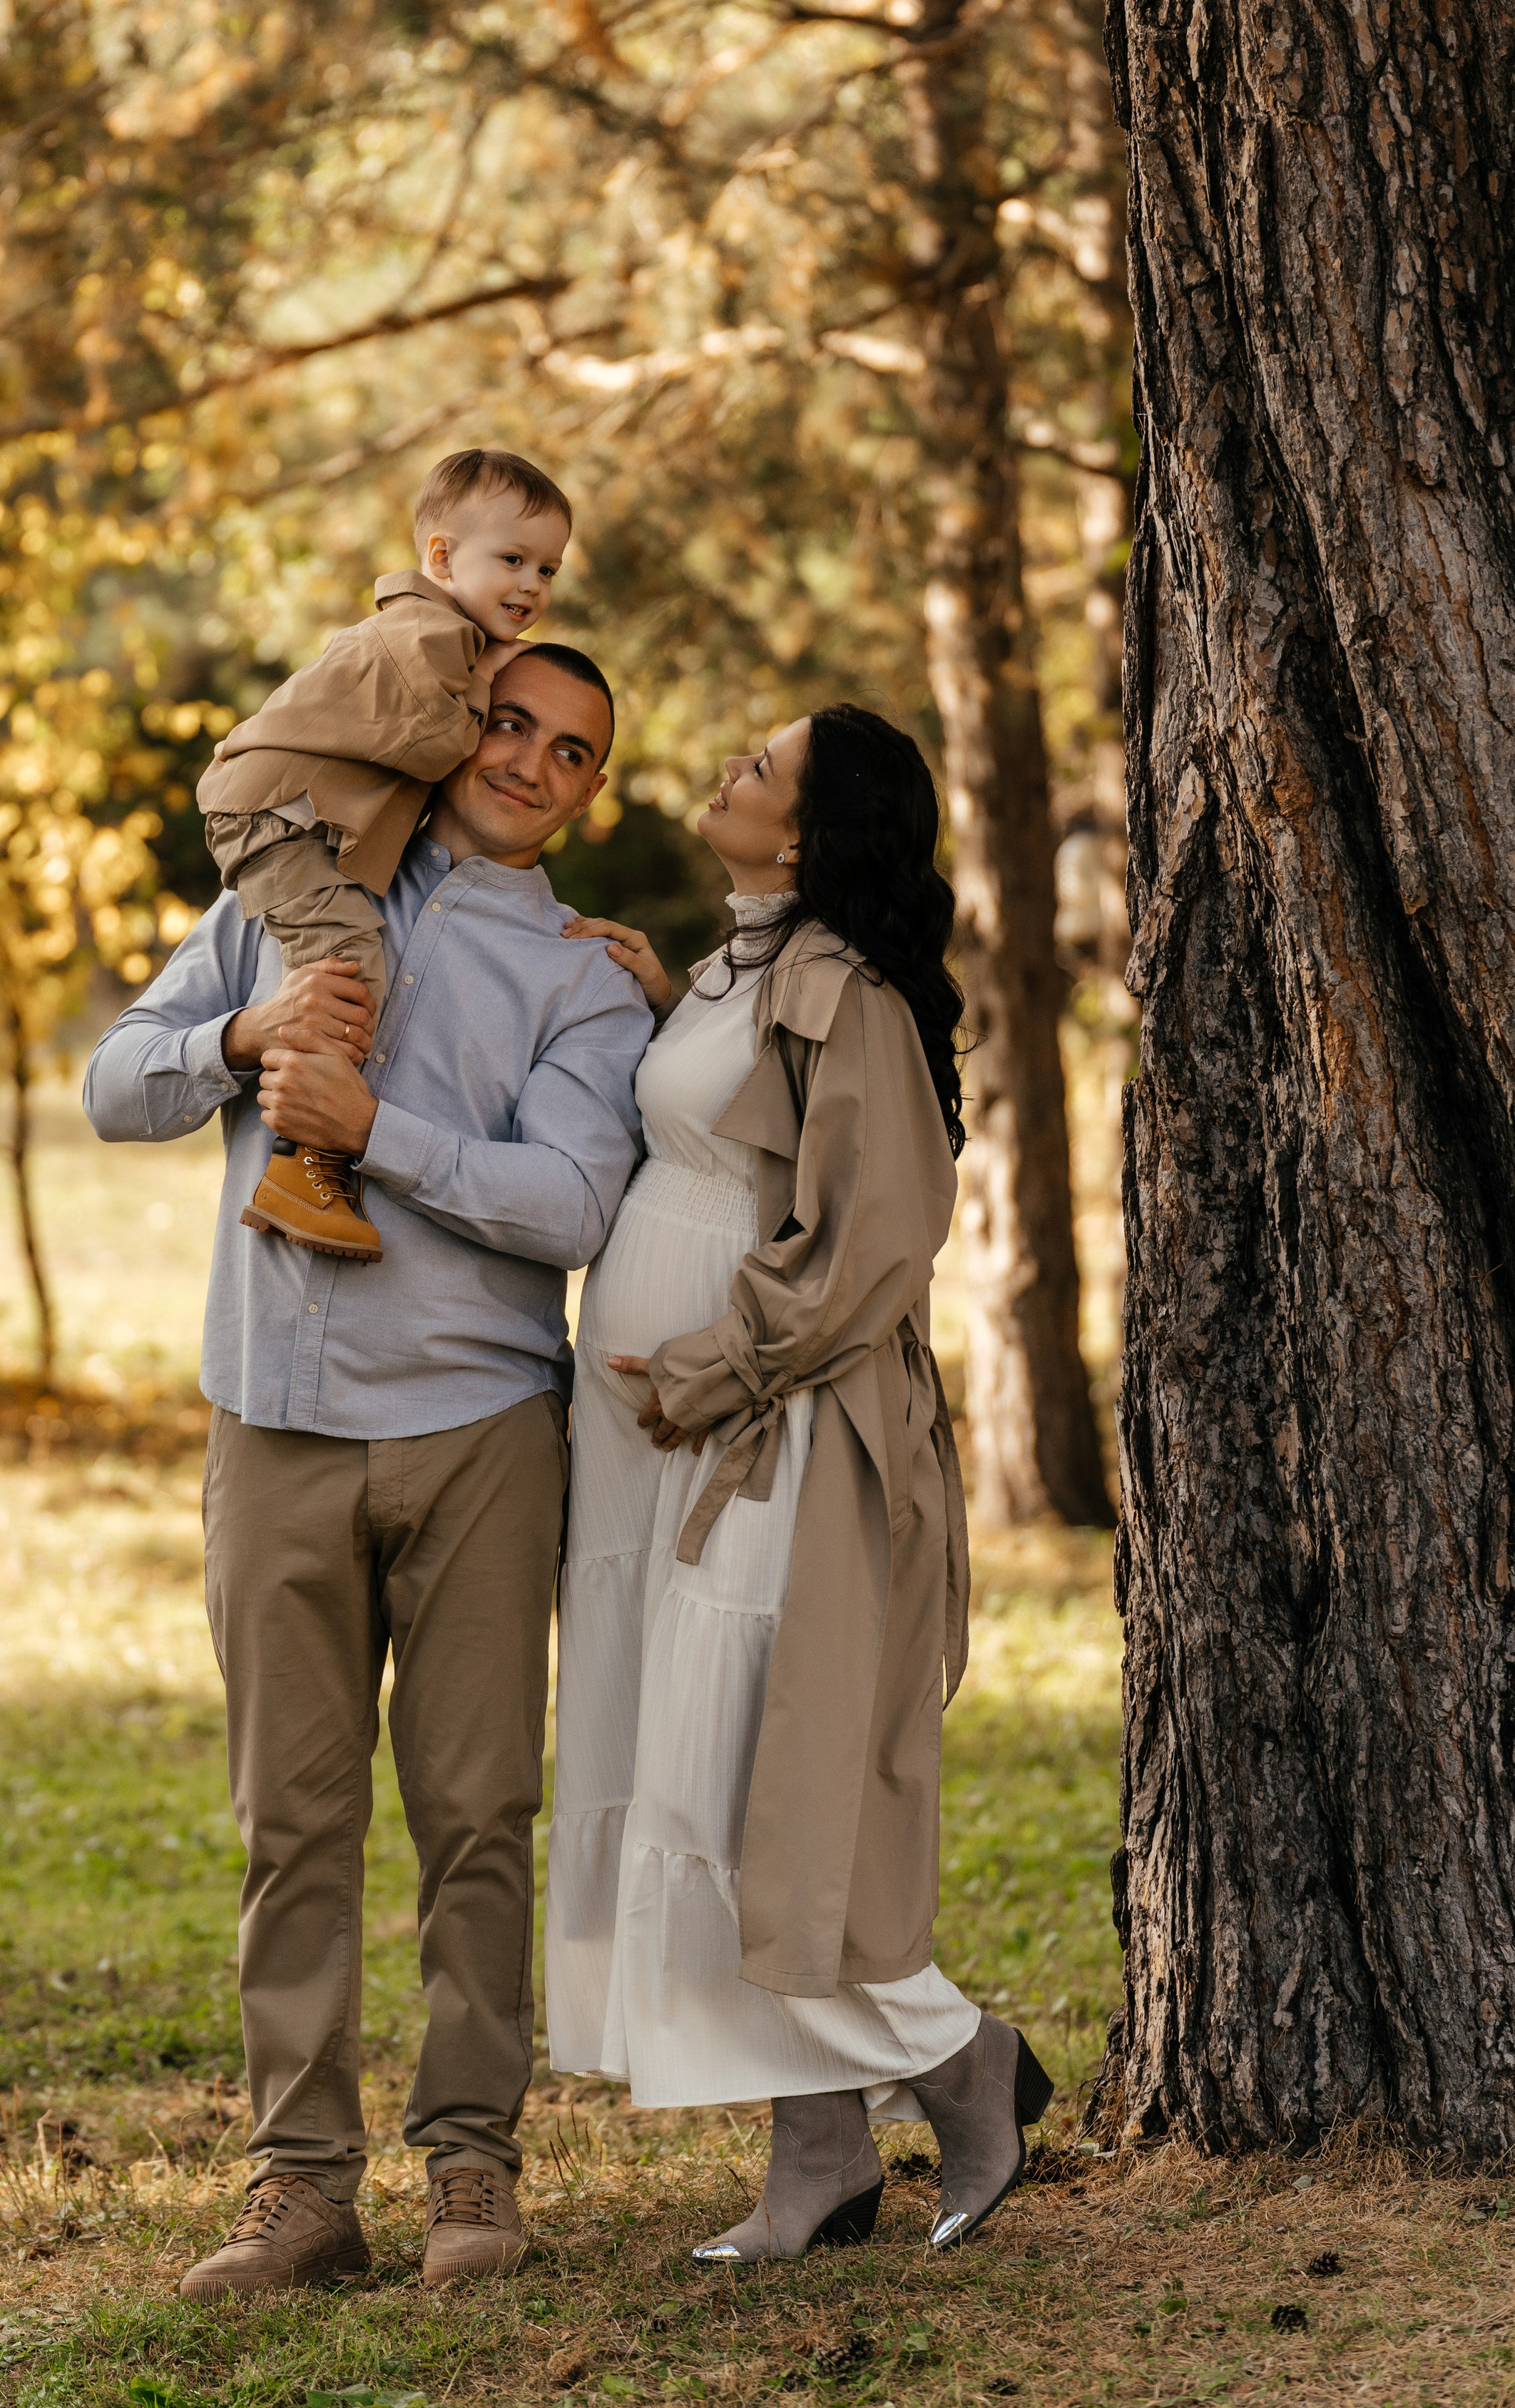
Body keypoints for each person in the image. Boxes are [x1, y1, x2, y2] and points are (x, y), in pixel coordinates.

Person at [85, 646, 650, 2298]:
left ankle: (472, 2173)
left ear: (589, 792)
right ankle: (299, 2194)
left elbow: (569, 1208)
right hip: (272, 1422)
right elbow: (115, 1078)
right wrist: (240, 1037)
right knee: (292, 1824)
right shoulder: (296, 890)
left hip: (477, 1432)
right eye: (513, 721)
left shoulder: (581, 979)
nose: (534, 762)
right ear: (451, 719)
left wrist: (370, 1122)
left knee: (476, 1817)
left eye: (574, 752)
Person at [546, 705, 1053, 2262]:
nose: (726, 771)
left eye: (757, 767)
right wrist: (661, 1006)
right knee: (685, 1776)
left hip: (770, 1442)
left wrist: (704, 1371)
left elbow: (868, 1251)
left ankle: (964, 2063)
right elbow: (721, 1147)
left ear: (810, 832)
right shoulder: (739, 968)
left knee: (744, 1790)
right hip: (660, 1447)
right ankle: (816, 2169)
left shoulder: (847, 999)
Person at [195, 447, 573, 1260]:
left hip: (289, 813)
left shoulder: (447, 637)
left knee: (346, 954)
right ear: (440, 556)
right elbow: (438, 748)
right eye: (511, 559)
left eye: (547, 568)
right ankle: (305, 1163)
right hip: (273, 813)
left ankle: (310, 1158)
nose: (533, 586)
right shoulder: (425, 635)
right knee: (346, 965)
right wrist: (492, 682)